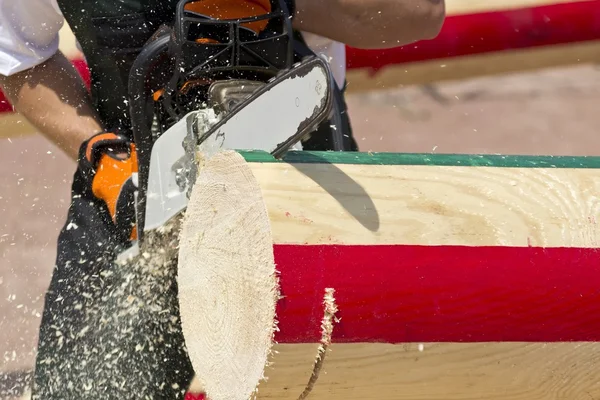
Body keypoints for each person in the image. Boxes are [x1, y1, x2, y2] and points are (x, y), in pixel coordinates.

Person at [0, 0, 445, 398]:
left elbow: (420, 13)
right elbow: (20, 57)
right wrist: (105, 158)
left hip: (301, 188)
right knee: (86, 386)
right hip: (134, 185)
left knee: (322, 382)